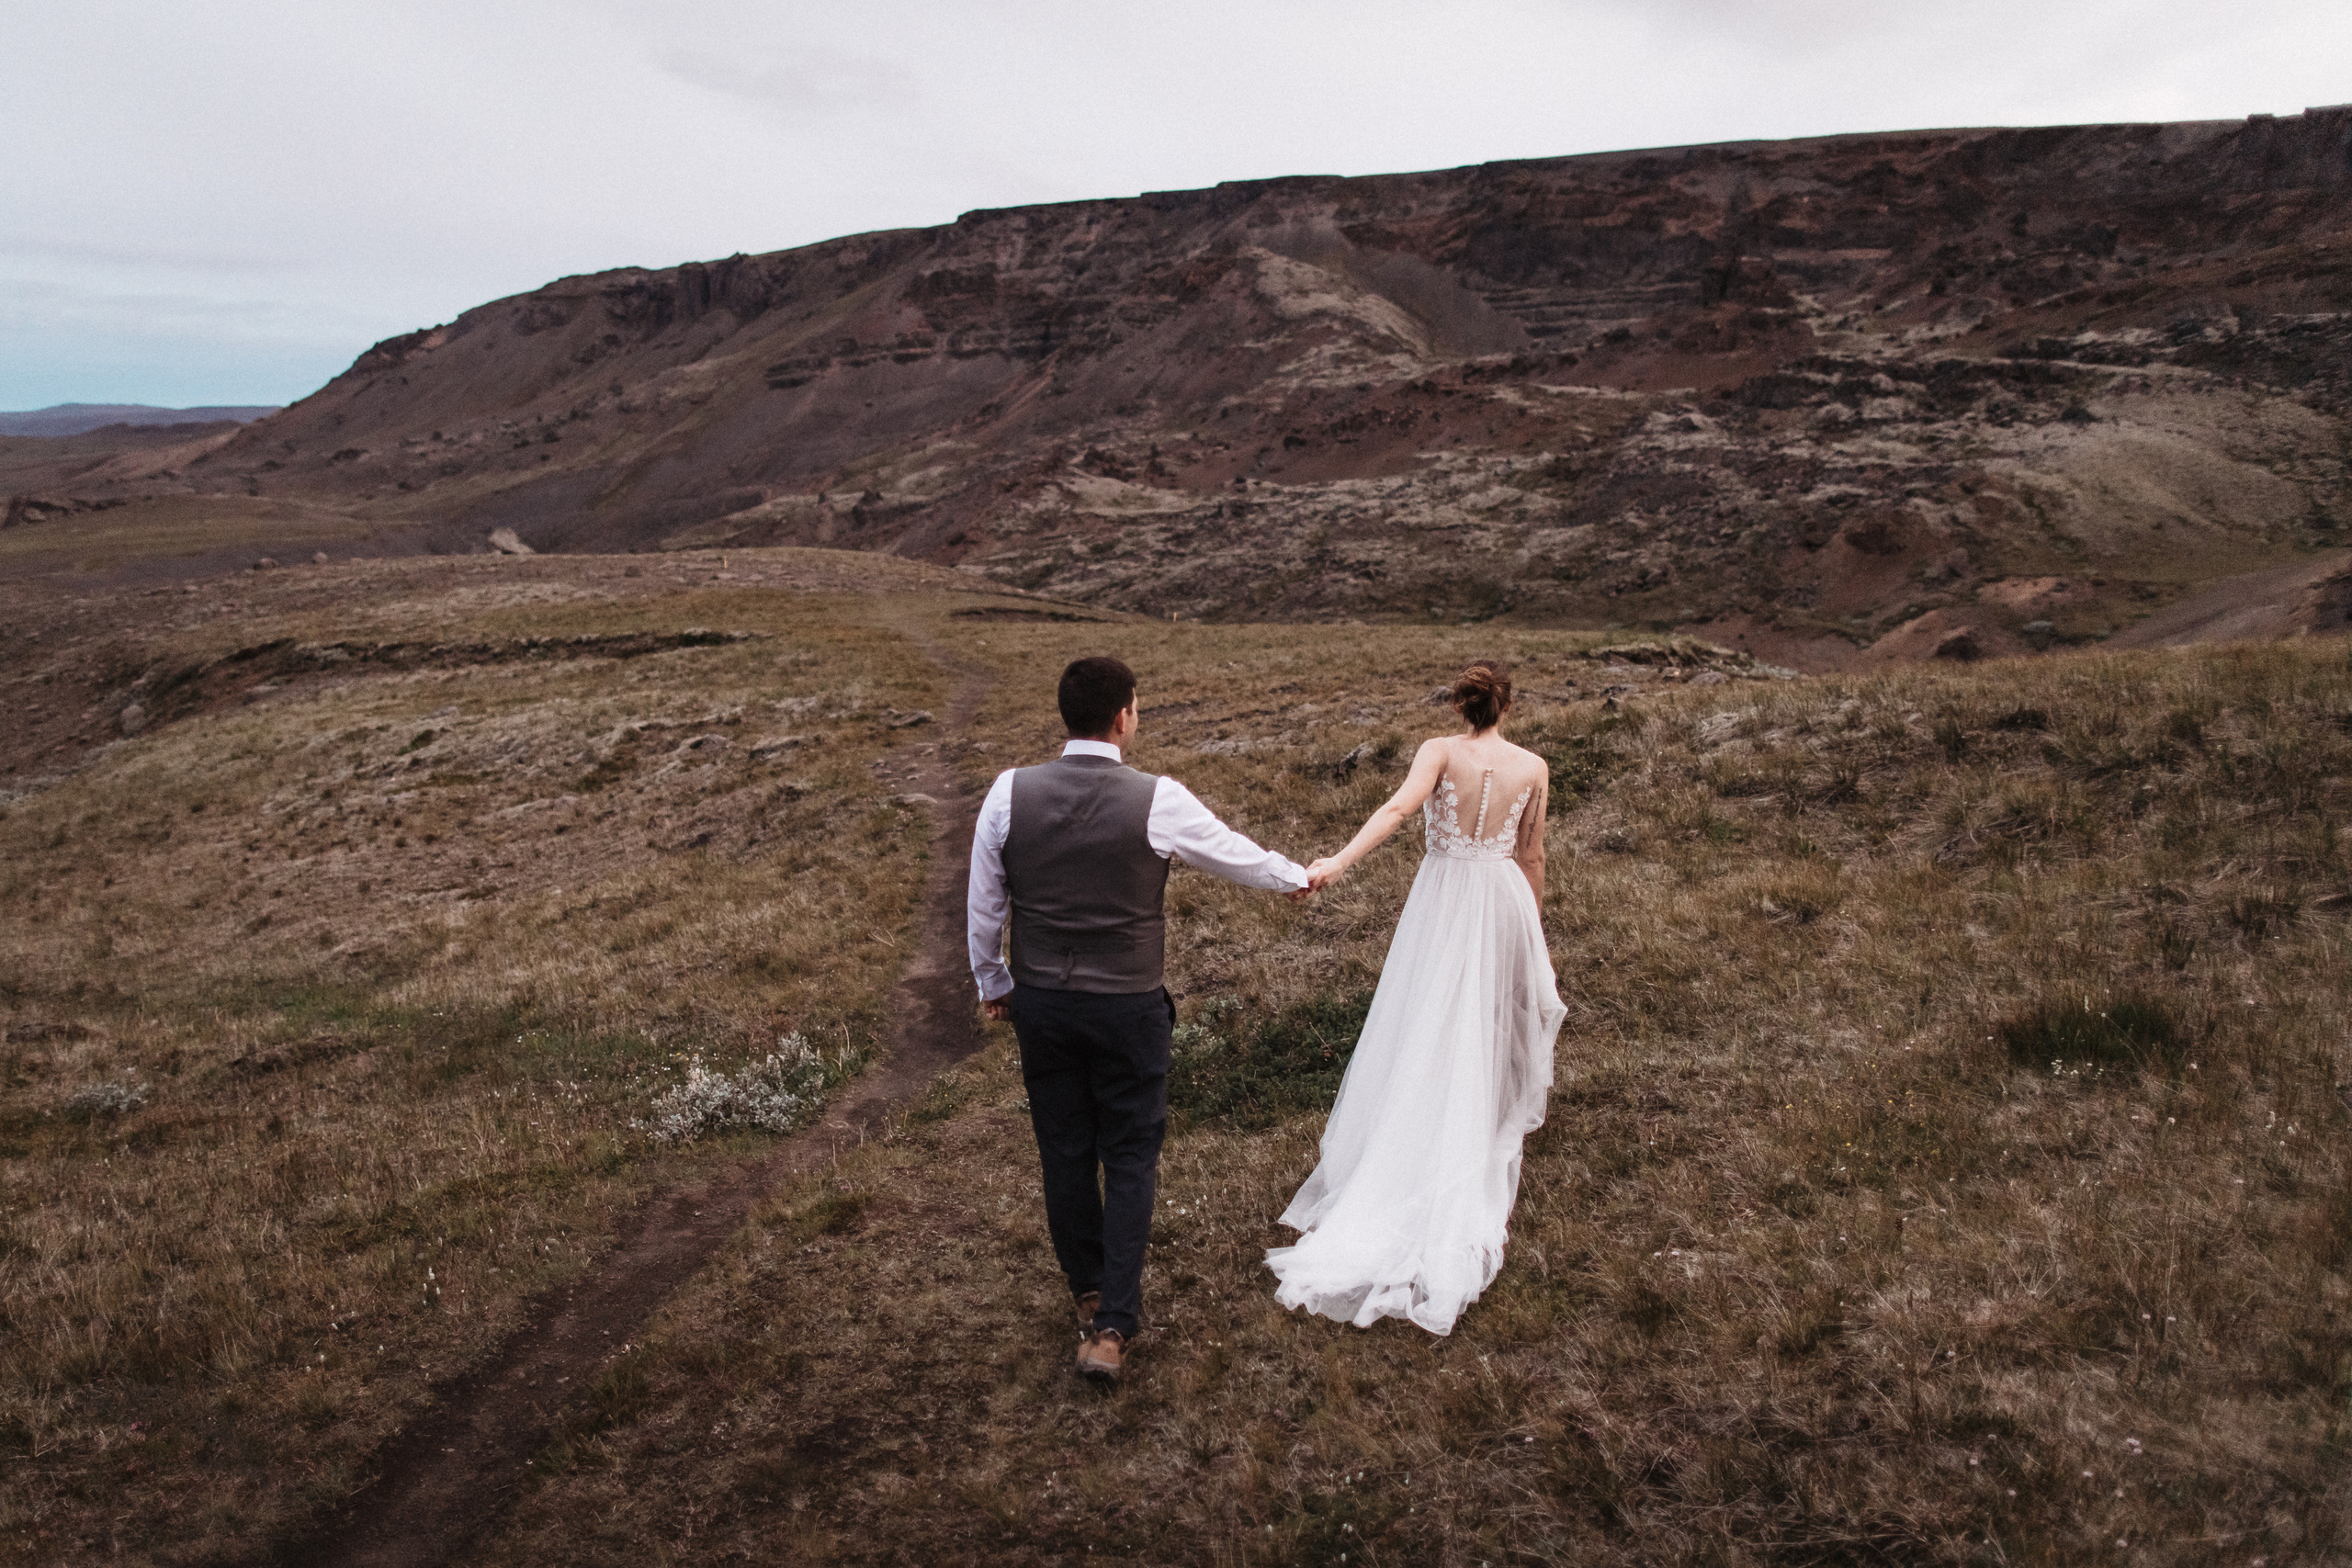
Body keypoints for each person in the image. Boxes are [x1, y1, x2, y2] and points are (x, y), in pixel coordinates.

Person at [968, 656, 1313, 1382]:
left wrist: (995, 980)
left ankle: (1088, 1290)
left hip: (1046, 1003)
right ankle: (1113, 1326)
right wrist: (1295, 877)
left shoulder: (1008, 793)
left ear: (1066, 716)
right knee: (1129, 1155)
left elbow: (984, 901)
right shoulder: (1158, 798)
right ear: (1125, 715)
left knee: (1064, 1150)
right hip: (1127, 1005)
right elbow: (1232, 854)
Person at [1268, 660, 1566, 1335]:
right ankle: (1462, 1128)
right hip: (1500, 902)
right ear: (1508, 706)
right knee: (1476, 1019)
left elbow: (1399, 809)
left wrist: (1336, 862)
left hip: (1442, 896)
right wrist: (1532, 939)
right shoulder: (1535, 767)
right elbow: (1533, 855)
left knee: (1425, 1013)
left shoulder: (1439, 751)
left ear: (1462, 706)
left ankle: (1420, 1129)